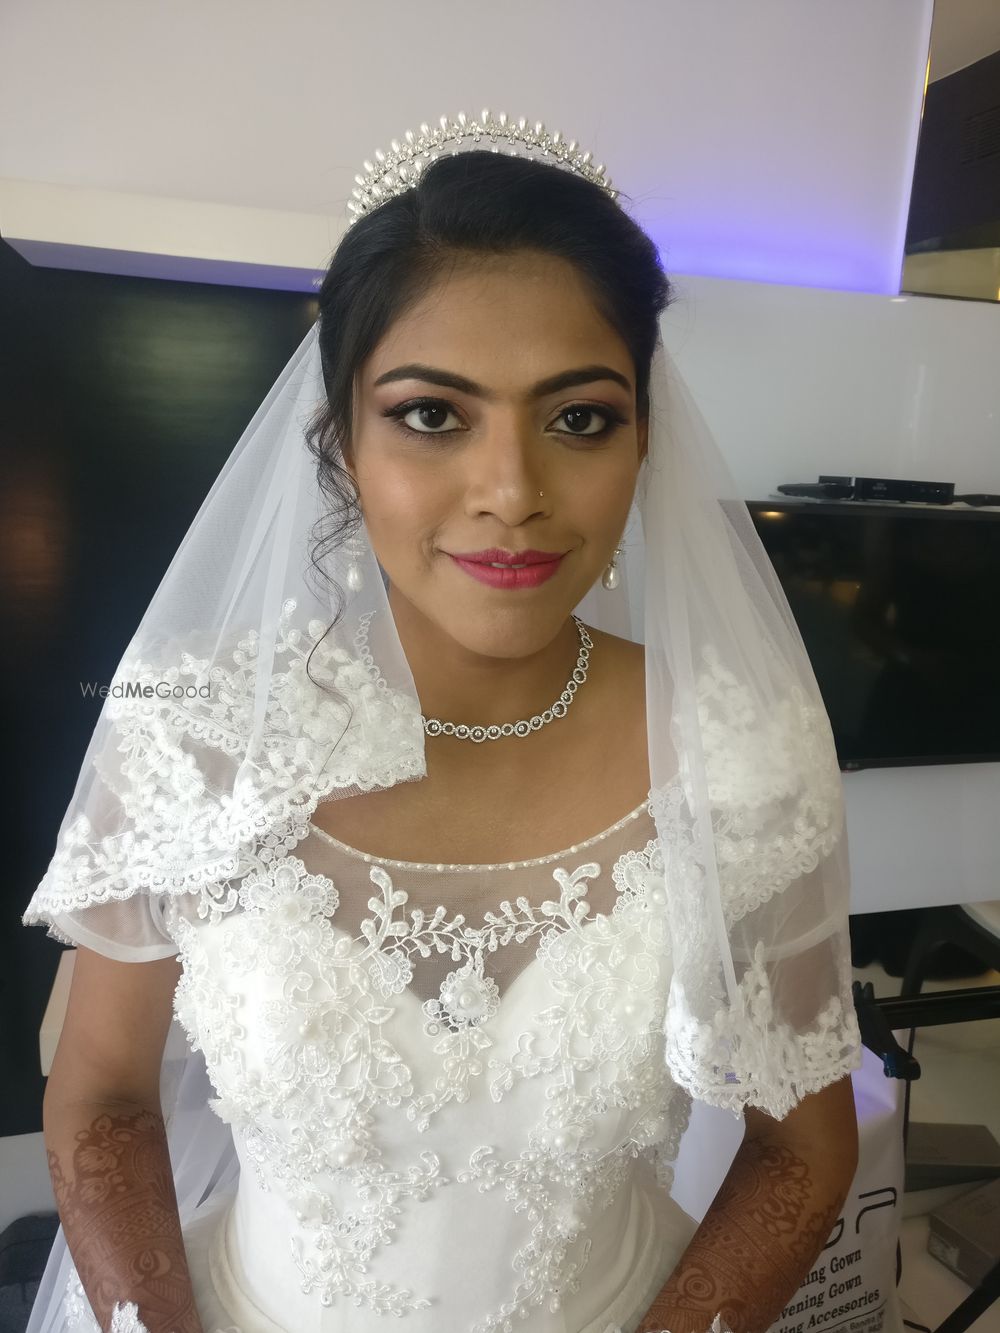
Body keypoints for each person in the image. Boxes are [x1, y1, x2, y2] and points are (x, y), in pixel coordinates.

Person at [23, 110, 862, 1333]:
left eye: (579, 417)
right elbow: (103, 1093)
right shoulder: (199, 731)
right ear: (339, 443)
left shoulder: (737, 753)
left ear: (644, 438)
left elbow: (803, 1149)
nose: (512, 491)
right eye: (430, 414)